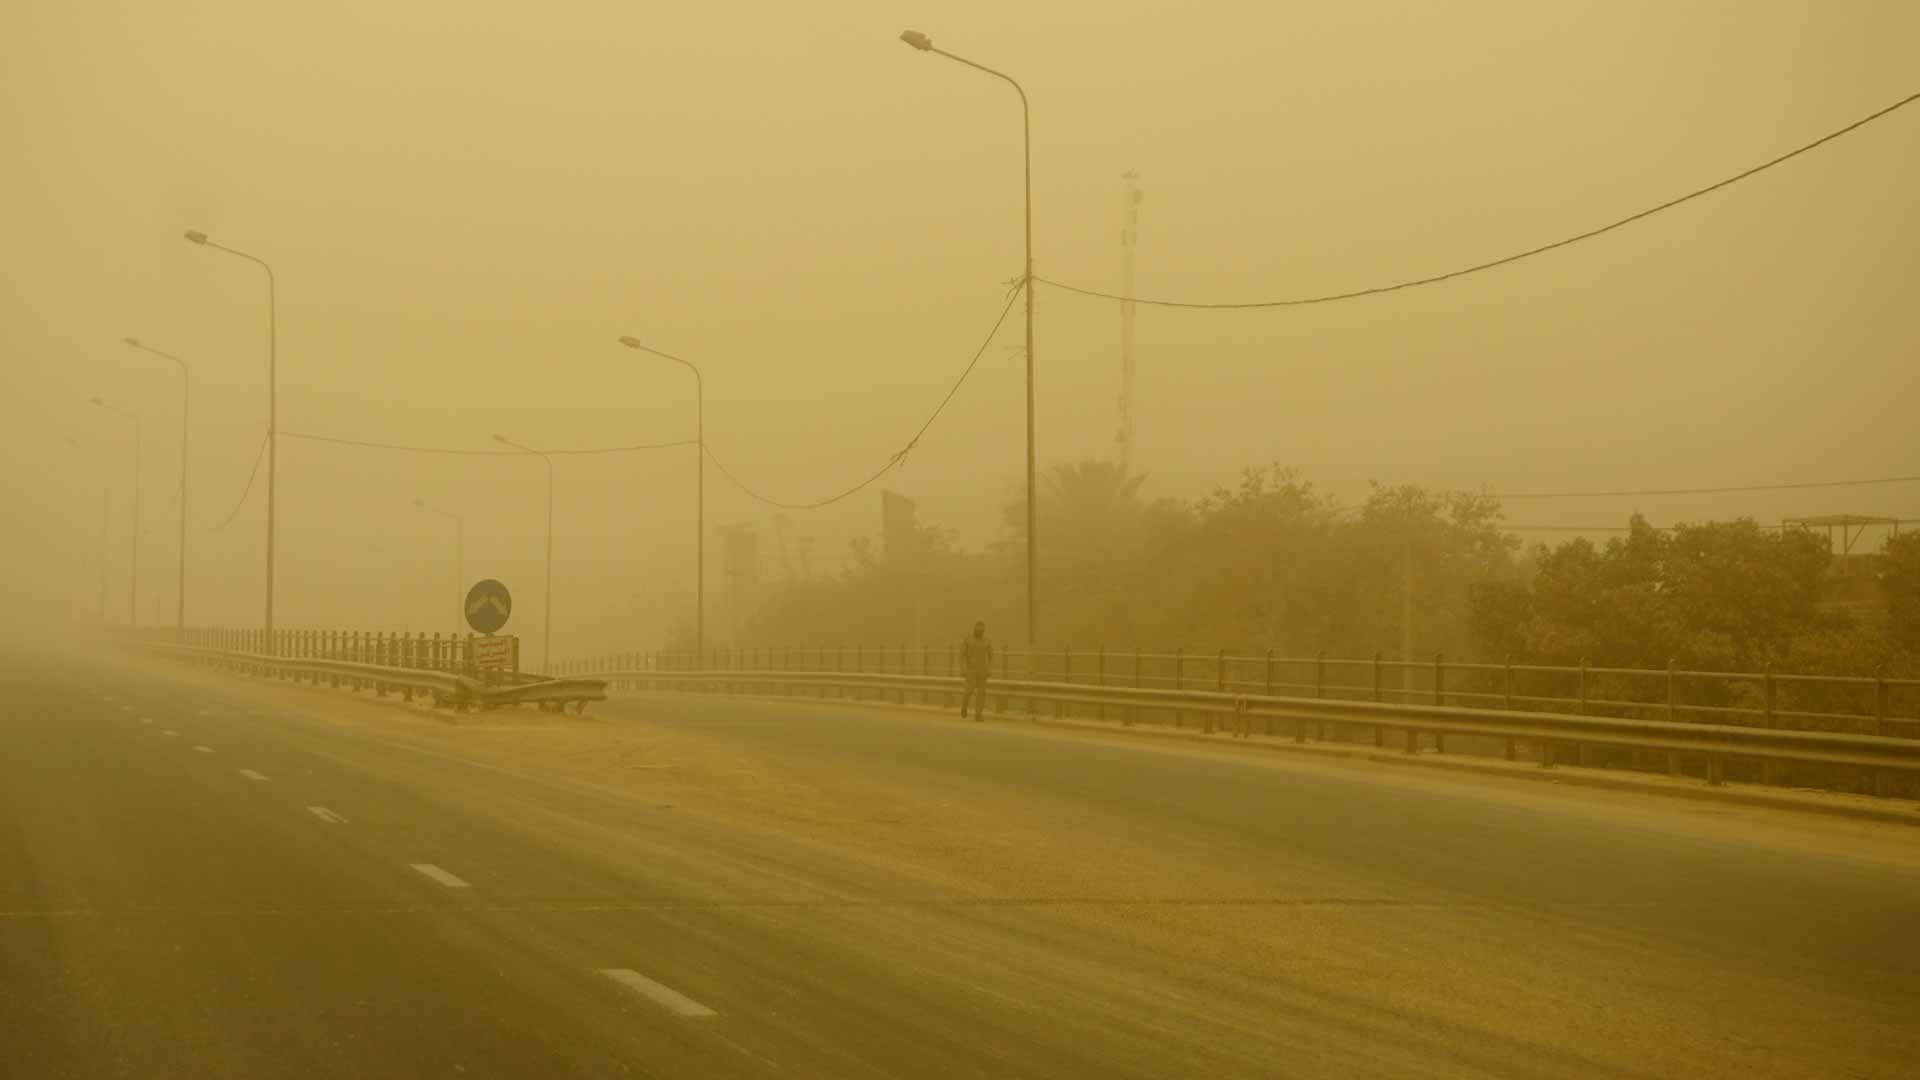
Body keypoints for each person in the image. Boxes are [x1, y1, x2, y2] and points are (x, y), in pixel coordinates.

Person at [960, 620, 992, 721]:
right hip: (971, 670)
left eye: (982, 629)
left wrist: (989, 668)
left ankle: (978, 714)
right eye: (978, 628)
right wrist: (963, 668)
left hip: (982, 671)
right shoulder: (968, 639)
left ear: (984, 630)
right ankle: (964, 706)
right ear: (974, 628)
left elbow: (991, 655)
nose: (980, 630)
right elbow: (962, 655)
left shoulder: (987, 641)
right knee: (968, 692)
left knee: (981, 693)